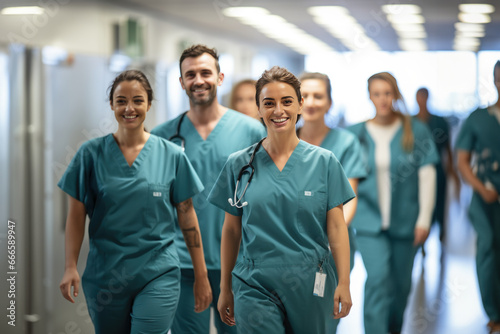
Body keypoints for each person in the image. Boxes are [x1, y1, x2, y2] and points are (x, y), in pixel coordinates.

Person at [58, 70, 212, 334]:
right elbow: (76, 214)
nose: (129, 108)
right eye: (121, 101)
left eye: (138, 100)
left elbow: (187, 217)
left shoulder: (171, 155)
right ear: (112, 105)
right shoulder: (90, 154)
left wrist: (201, 274)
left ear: (149, 104)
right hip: (105, 274)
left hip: (158, 272)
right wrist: (70, 266)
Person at [209, 66, 354, 333]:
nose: (278, 111)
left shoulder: (324, 163)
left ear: (300, 105)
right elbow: (231, 230)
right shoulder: (239, 165)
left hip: (312, 280)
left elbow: (336, 227)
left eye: (287, 102)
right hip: (254, 281)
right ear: (258, 109)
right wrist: (225, 286)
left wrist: (344, 281)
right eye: (269, 103)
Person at [151, 45, 265, 334]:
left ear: (220, 77)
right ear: (181, 82)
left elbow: (265, 195)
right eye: (190, 74)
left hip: (239, 262)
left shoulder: (252, 131)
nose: (198, 80)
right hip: (183, 262)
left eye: (205, 72)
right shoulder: (163, 136)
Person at [347, 72, 439, 334]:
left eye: (387, 93)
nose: (382, 99)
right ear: (369, 96)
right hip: (368, 222)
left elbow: (427, 175)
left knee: (401, 286)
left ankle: (393, 329)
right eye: (376, 94)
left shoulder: (415, 130)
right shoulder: (355, 134)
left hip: (406, 221)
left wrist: (423, 219)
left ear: (395, 94)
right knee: (377, 279)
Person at [297, 72, 366, 334]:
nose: (311, 102)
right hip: (289, 245)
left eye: (319, 96)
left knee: (325, 318)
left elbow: (349, 200)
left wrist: (327, 237)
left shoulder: (345, 143)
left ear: (329, 102)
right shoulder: (282, 141)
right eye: (304, 96)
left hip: (331, 247)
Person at [456, 60, 500, 334]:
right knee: (488, 248)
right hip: (485, 200)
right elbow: (462, 161)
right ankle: (494, 312)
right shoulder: (478, 118)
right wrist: (480, 187)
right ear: (495, 80)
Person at [415, 87, 460, 243]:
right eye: (418, 97)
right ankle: (422, 245)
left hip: (438, 171)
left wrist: (453, 172)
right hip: (414, 172)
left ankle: (442, 240)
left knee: (439, 207)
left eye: (423, 97)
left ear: (427, 98)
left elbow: (448, 149)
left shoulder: (440, 122)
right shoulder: (410, 123)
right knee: (418, 207)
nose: (421, 100)